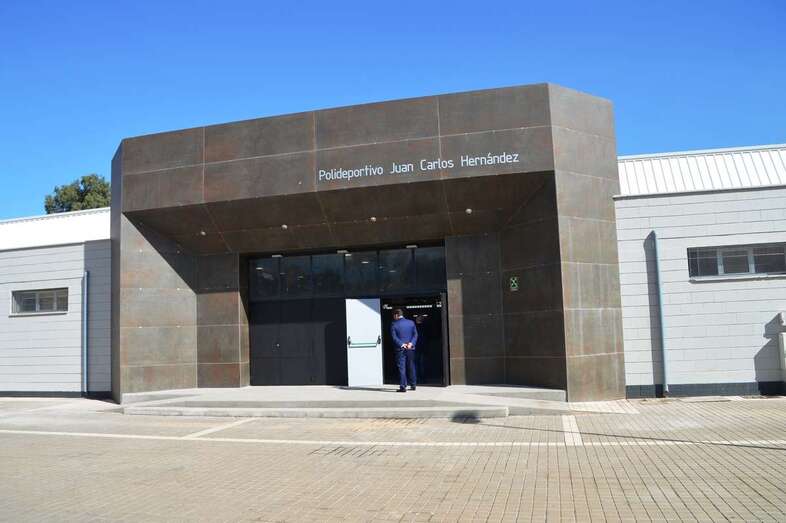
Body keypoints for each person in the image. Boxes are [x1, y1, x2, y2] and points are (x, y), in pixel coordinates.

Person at [390, 308, 418, 392]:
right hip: (411, 348)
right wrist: (411, 343)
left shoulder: (394, 324)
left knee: (402, 368)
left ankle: (403, 386)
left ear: (396, 315)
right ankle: (413, 385)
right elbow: (415, 335)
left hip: (400, 349)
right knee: (411, 366)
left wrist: (402, 344)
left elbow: (394, 337)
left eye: (394, 316)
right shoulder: (411, 322)